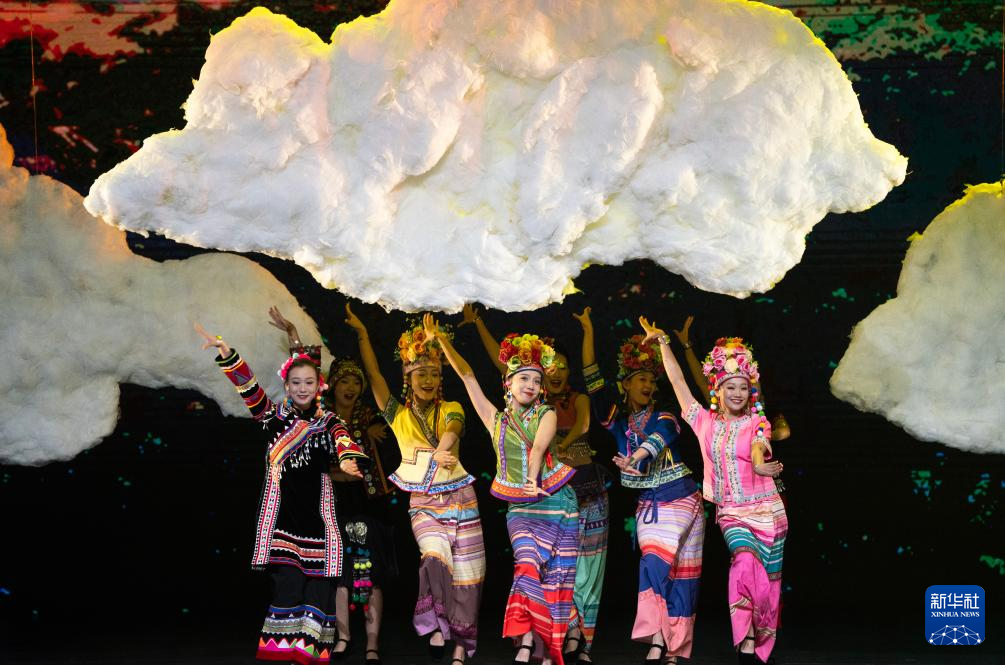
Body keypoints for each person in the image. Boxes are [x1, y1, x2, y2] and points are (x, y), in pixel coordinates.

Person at [194, 323, 366, 665]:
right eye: (296, 382)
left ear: (320, 386)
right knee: (286, 597)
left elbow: (344, 439)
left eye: (309, 382)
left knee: (316, 605)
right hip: (283, 529)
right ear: (287, 386)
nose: (302, 388)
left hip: (319, 529)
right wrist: (228, 354)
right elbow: (249, 388)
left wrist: (348, 459)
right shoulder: (273, 418)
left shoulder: (328, 422)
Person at [460, 304, 608, 663]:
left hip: (577, 492)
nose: (540, 379)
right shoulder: (517, 406)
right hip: (531, 499)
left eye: (555, 369)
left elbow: (568, 433)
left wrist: (544, 462)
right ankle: (535, 640)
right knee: (533, 566)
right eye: (530, 376)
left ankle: (576, 638)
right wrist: (476, 324)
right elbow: (487, 368)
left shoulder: (566, 403)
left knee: (578, 574)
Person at [431, 313, 578, 665]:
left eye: (536, 380)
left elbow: (539, 448)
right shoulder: (494, 419)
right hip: (521, 509)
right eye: (523, 378)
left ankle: (543, 645)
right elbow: (467, 376)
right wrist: (441, 341)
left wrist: (533, 477)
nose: (530, 385)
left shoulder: (546, 413)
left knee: (554, 580)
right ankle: (527, 639)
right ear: (508, 382)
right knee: (526, 565)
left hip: (556, 503)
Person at [639, 318, 785, 665]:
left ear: (751, 391)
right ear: (717, 390)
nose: (737, 393)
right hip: (731, 511)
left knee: (767, 585)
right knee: (743, 560)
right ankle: (746, 639)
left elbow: (760, 445)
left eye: (743, 388)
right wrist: (663, 343)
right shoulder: (704, 421)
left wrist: (760, 464)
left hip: (769, 511)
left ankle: (760, 635)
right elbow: (678, 382)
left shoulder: (757, 421)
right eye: (730, 387)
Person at [346, 304, 484, 664]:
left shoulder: (452, 406)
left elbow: (453, 430)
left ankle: (459, 649)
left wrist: (442, 449)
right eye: (421, 372)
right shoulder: (398, 415)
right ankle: (435, 622)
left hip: (461, 497)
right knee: (433, 557)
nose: (428, 379)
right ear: (408, 377)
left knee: (467, 575)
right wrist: (363, 335)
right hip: (423, 501)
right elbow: (374, 374)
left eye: (434, 373)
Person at [267, 307, 396, 665]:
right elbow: (304, 373)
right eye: (344, 381)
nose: (351, 388)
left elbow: (369, 465)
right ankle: (341, 638)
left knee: (369, 575)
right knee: (337, 575)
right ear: (332, 385)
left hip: (367, 506)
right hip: (329, 508)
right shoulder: (320, 417)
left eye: (356, 382)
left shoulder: (368, 418)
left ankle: (371, 643)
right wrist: (292, 334)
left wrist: (361, 448)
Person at [575, 307, 705, 665]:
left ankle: (671, 647)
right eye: (641, 379)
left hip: (683, 497)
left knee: (683, 574)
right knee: (654, 562)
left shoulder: (665, 414)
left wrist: (638, 455)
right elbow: (593, 381)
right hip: (649, 504)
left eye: (651, 379)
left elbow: (663, 436)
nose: (648, 385)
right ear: (626, 383)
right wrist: (588, 332)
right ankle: (658, 637)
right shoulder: (617, 422)